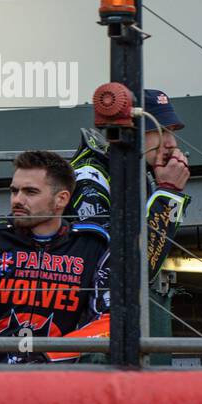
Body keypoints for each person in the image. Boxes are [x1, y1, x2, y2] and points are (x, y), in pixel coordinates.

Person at [0, 150, 110, 364]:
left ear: (61, 199)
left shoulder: (96, 246)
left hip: (59, 379)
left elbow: (109, 321)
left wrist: (51, 356)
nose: (17, 200)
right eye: (14, 191)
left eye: (30, 192)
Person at [69, 89, 191, 364]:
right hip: (92, 338)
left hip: (113, 329)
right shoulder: (91, 179)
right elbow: (128, 270)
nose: (171, 143)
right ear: (129, 132)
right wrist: (168, 193)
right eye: (159, 131)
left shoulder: (136, 173)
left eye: (172, 131)